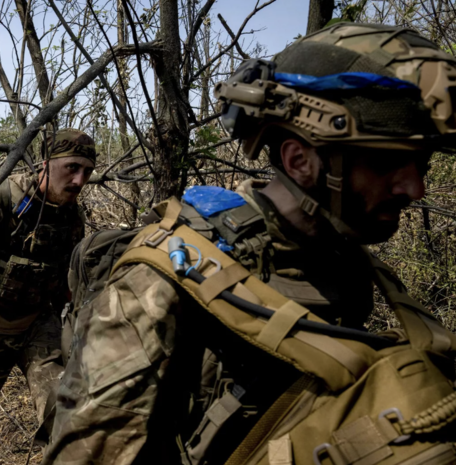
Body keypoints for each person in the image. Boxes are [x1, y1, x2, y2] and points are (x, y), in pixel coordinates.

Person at [45, 23, 456, 465]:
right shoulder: (161, 279)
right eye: (388, 162)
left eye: (422, 162)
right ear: (299, 160)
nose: (415, 188)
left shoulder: (342, 256)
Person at [0, 128, 96, 441]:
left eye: (87, 171)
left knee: (64, 407)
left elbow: (67, 282)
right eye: (72, 168)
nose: (79, 181)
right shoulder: (4, 201)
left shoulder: (72, 216)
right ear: (46, 163)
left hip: (37, 325)